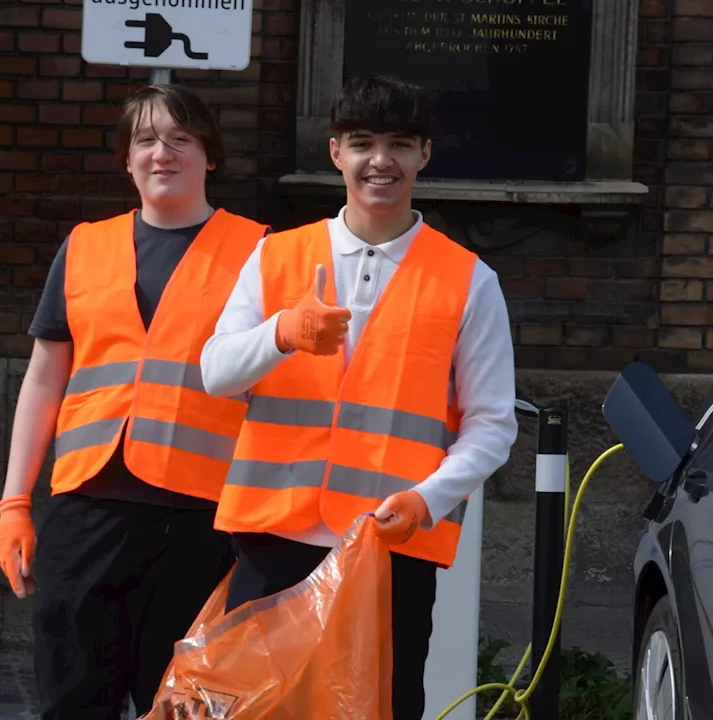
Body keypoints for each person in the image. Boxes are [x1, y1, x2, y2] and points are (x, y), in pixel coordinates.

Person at [198, 74, 519, 720]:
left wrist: (427, 500)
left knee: (383, 708)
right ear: (335, 150)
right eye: (364, 143)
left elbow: (493, 424)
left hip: (389, 544)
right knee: (254, 710)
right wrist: (282, 333)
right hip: (274, 535)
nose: (381, 161)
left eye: (400, 144)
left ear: (424, 156)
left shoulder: (469, 280)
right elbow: (215, 371)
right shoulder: (274, 258)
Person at [0, 84, 272, 719]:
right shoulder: (84, 246)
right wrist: (14, 503)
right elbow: (44, 378)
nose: (161, 152)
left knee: (176, 705)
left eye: (180, 138)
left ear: (210, 155)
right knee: (70, 699)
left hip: (199, 522)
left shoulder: (259, 251)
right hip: (87, 510)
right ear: (126, 159)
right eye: (145, 139)